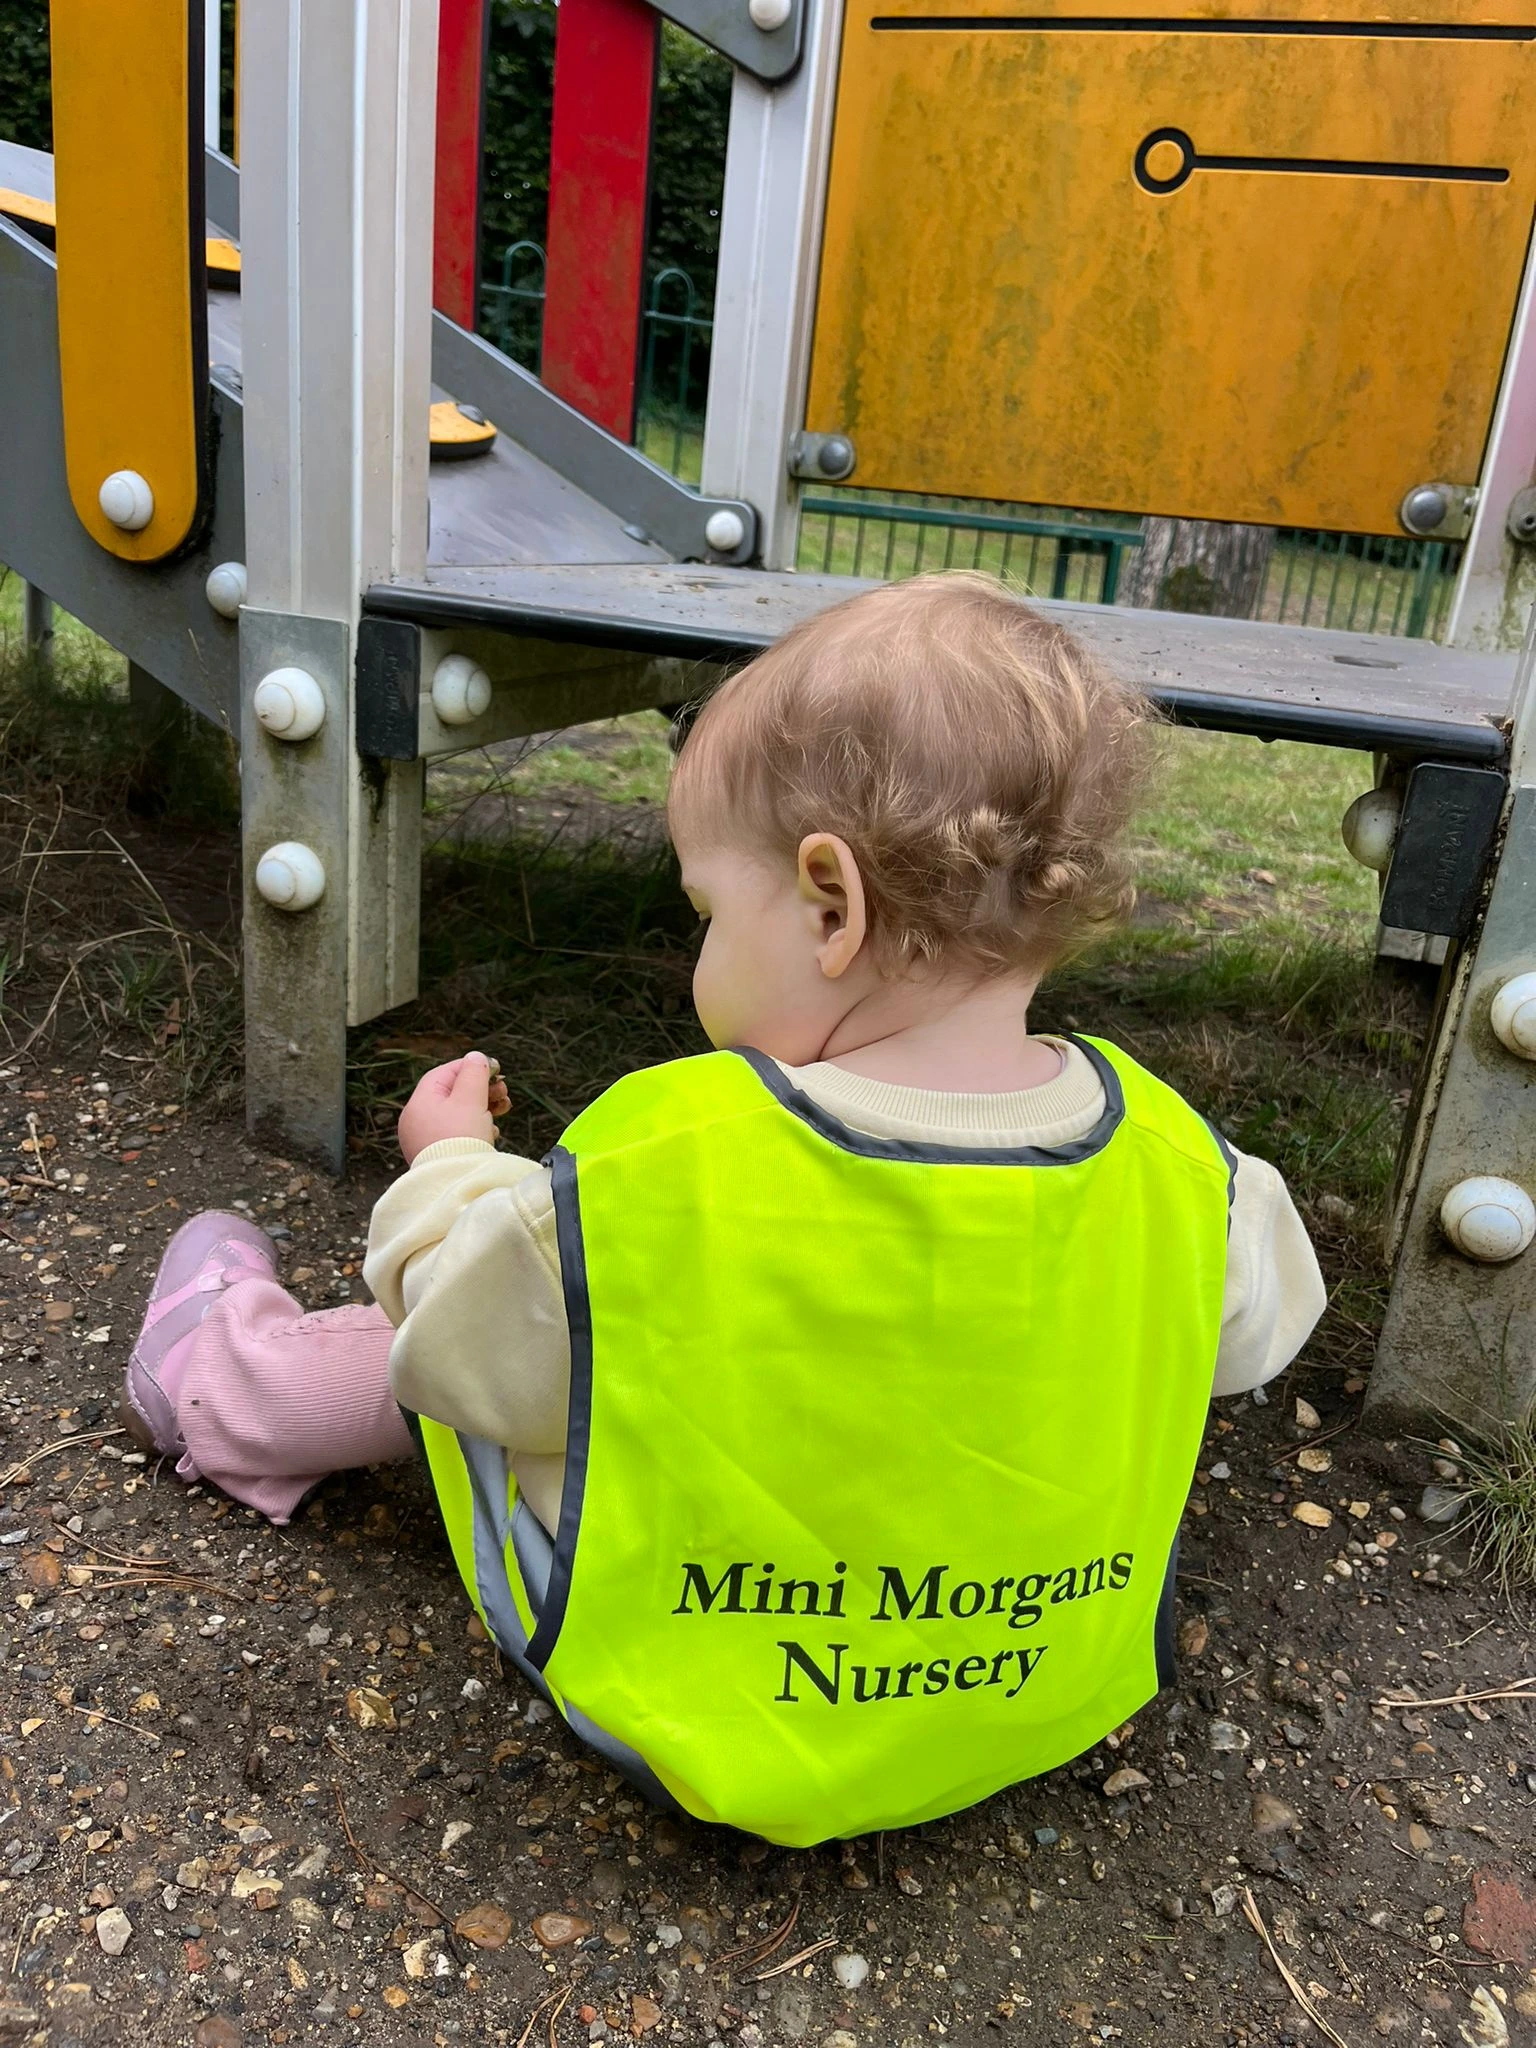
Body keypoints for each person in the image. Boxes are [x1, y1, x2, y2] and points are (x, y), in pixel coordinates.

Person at [121, 572, 1324, 1846]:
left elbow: (462, 1335)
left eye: (705, 912)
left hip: (698, 1699)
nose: (697, 949)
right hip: (1034, 1696)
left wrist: (450, 1168)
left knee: (523, 1306)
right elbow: (1251, 1334)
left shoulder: (675, 1159)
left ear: (829, 904)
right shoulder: (1186, 1168)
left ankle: (220, 1383)